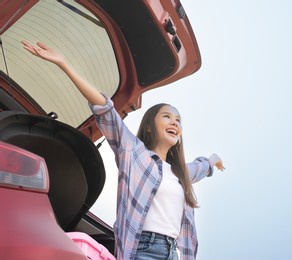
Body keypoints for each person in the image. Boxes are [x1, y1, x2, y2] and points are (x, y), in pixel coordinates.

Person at [22, 40, 225, 260]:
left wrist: (214, 161)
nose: (174, 122)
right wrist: (64, 64)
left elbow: (203, 166)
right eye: (167, 116)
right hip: (143, 250)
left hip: (173, 253)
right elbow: (105, 110)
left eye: (178, 120)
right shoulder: (134, 153)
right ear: (149, 125)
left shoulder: (181, 173)